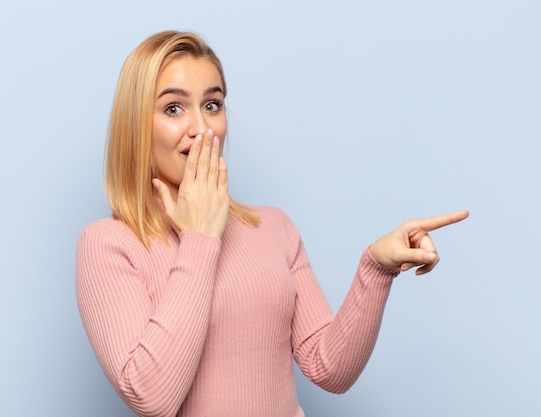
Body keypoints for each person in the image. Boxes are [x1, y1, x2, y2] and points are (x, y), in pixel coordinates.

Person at [75, 30, 469, 417]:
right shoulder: (108, 245)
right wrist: (200, 238)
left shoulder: (273, 227)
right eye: (173, 109)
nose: (202, 128)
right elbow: (152, 399)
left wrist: (377, 267)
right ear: (136, 124)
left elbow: (328, 369)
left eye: (212, 105)